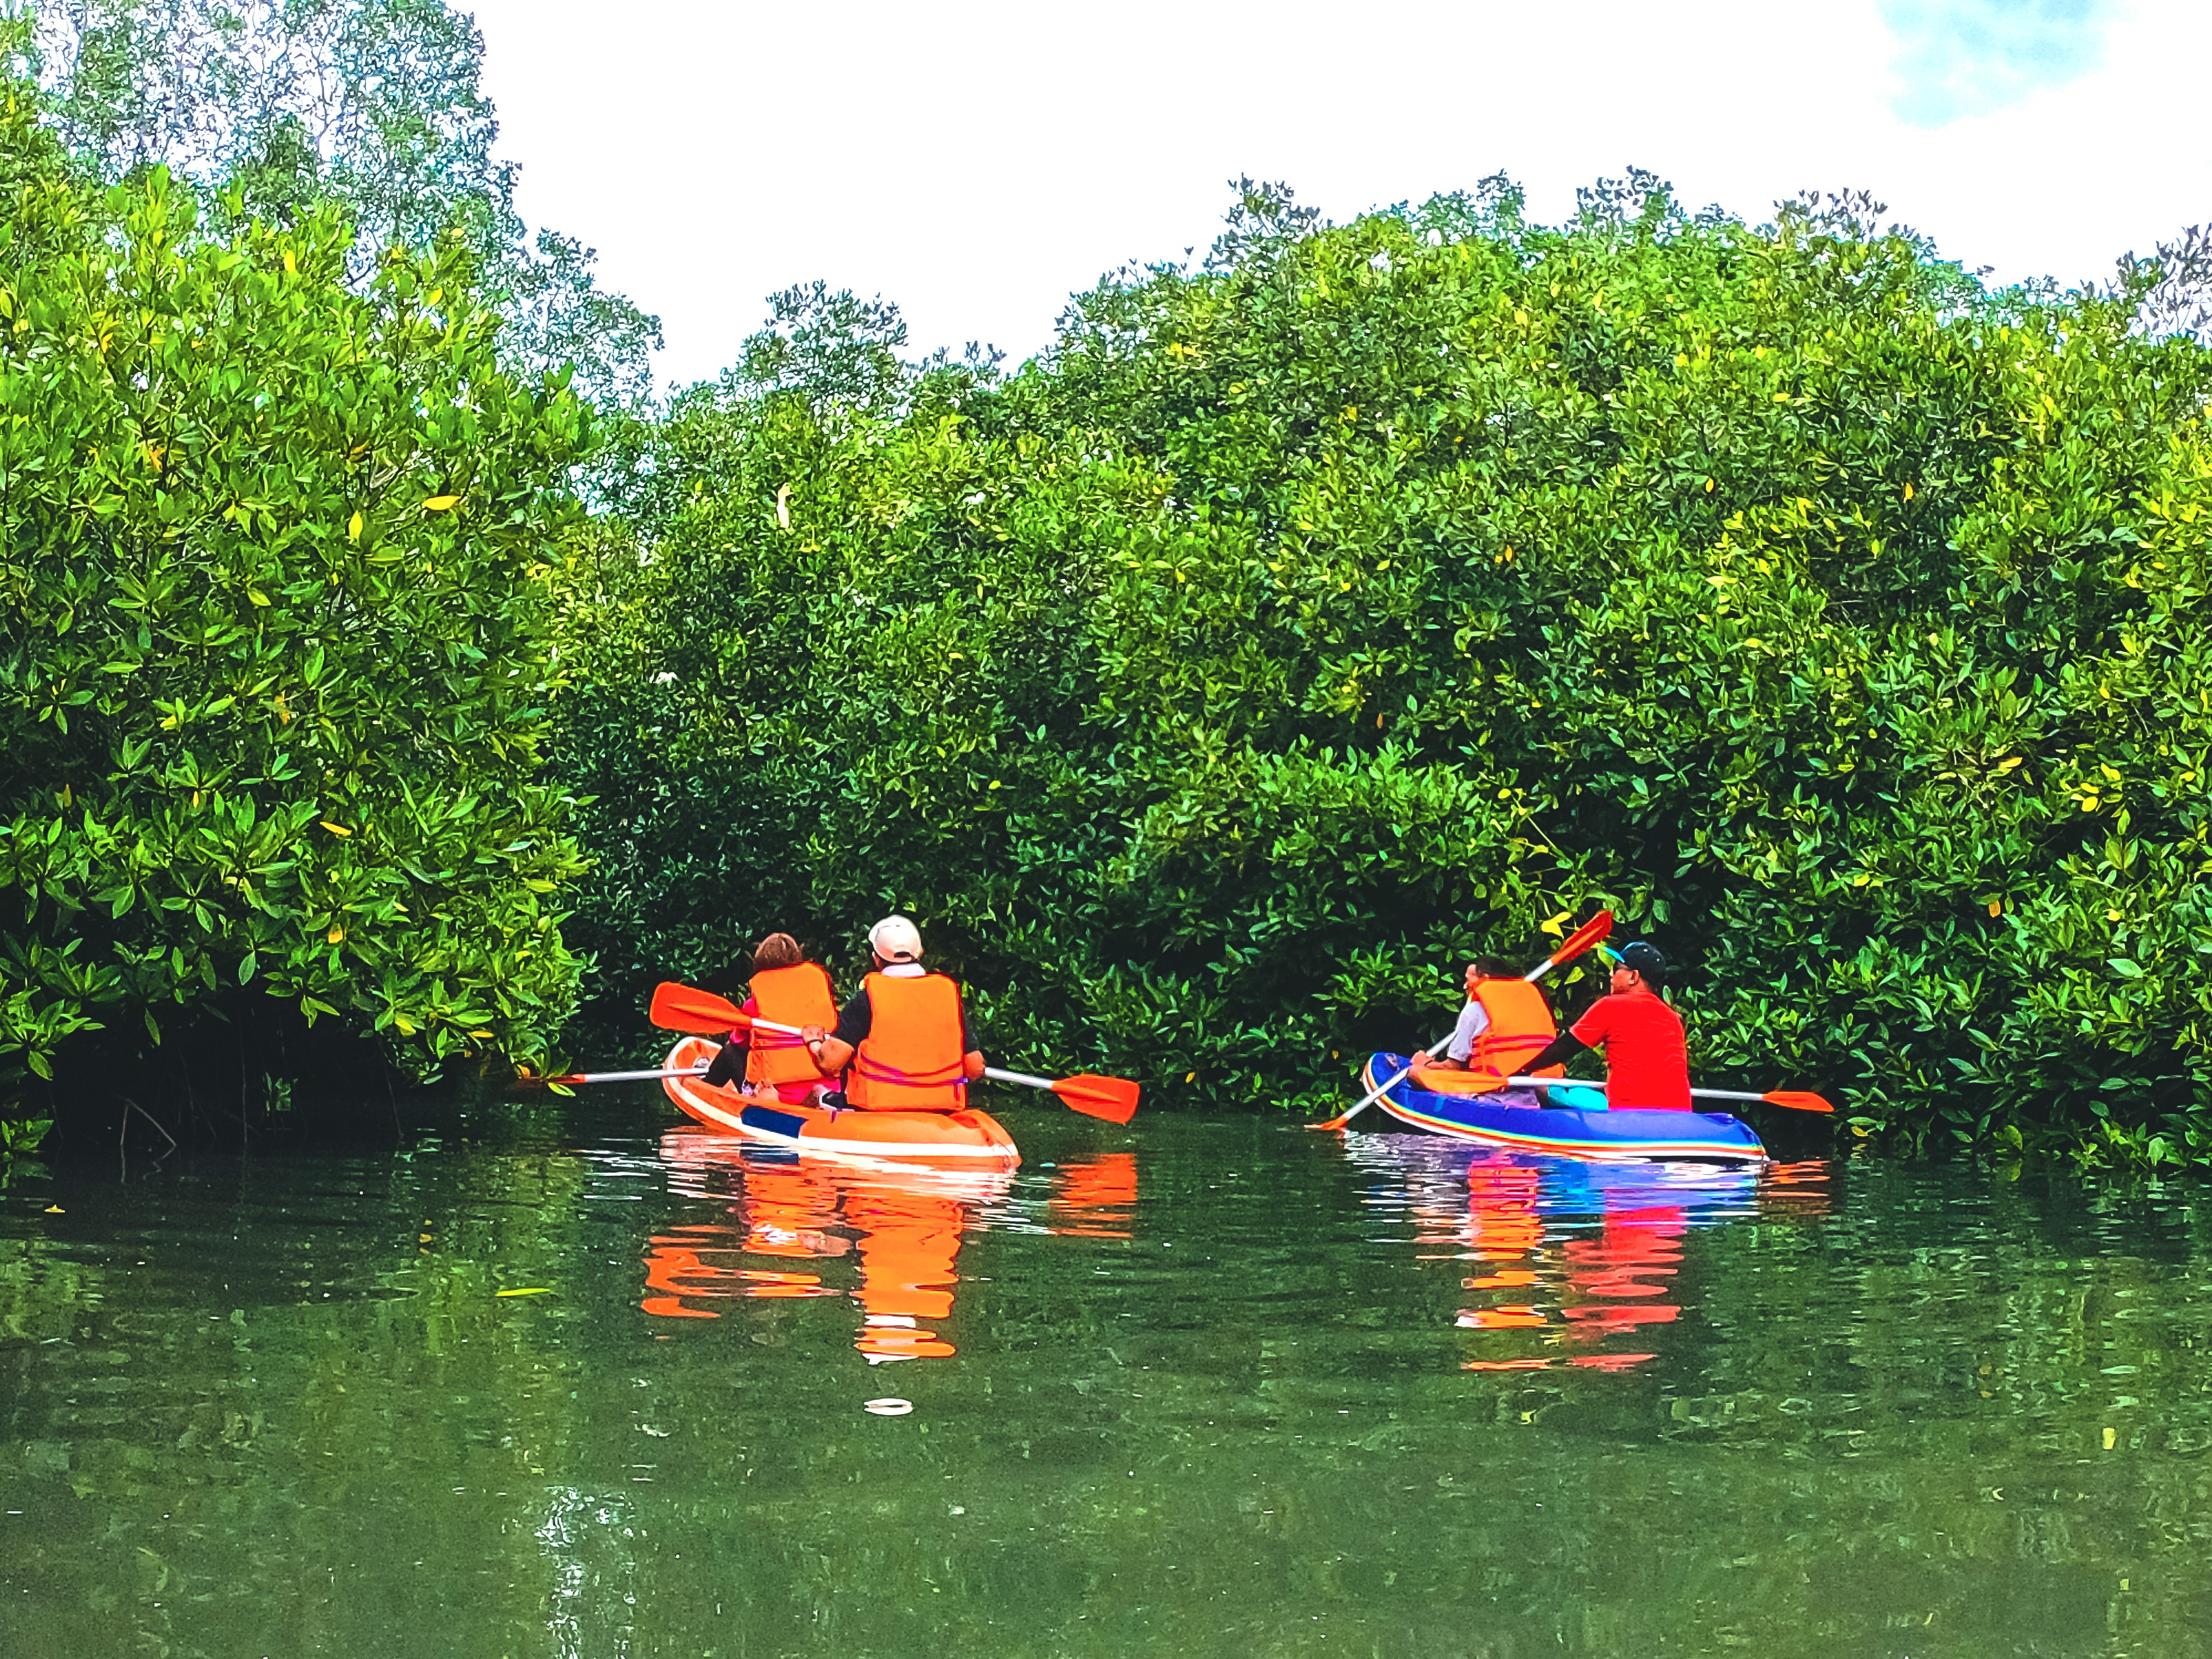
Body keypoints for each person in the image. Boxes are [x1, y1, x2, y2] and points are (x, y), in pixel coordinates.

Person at [800, 915, 985, 1112]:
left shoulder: (866, 1000)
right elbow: (975, 1068)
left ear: (876, 959)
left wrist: (814, 1043)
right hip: (942, 1110)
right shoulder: (949, 998)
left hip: (876, 1111)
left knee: (819, 1092)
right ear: (920, 952)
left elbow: (831, 1063)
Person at [1518, 941, 1691, 1111]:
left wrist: (1523, 1071)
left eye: (1616, 968)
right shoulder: (1673, 1018)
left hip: (1629, 1112)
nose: (1611, 973)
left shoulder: (1611, 1006)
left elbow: (1564, 1049)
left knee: (1543, 1088)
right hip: (1680, 1111)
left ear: (1634, 977)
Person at [703, 932, 838, 1105]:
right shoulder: (819, 995)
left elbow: (739, 1042)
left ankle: (704, 1093)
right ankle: (816, 1098)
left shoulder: (754, 1004)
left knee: (731, 1051)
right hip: (826, 1087)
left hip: (776, 1091)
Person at [1411, 957, 1562, 1109]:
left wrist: (1425, 1062)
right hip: (1542, 1084)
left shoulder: (1473, 1011)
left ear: (1485, 979)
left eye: (1468, 979)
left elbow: (1452, 1067)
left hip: (1499, 1087)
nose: (1465, 986)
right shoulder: (1535, 1003)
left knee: (1415, 1072)